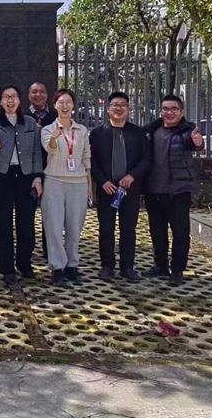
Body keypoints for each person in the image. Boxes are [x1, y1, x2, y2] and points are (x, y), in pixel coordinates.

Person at [90, 92, 151, 283]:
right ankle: (107, 265)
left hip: (130, 189)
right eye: (115, 105)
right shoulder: (97, 134)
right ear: (108, 109)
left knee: (128, 228)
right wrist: (102, 181)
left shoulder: (138, 133)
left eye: (123, 105)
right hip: (106, 189)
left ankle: (127, 267)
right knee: (106, 228)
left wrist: (132, 176)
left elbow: (146, 159)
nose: (119, 108)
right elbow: (92, 161)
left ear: (128, 110)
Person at [143, 94, 204, 286]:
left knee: (180, 233)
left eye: (174, 109)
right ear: (160, 111)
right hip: (153, 191)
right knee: (157, 232)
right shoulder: (151, 131)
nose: (169, 112)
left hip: (178, 191)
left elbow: (195, 144)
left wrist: (198, 142)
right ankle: (160, 265)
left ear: (182, 112)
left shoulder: (187, 131)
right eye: (165, 109)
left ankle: (177, 271)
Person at [0, 85, 43, 284]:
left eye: (14, 96)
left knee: (26, 223)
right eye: (6, 97)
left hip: (26, 177)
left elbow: (36, 152)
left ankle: (24, 264)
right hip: (3, 176)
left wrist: (37, 177)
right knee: (4, 223)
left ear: (20, 100)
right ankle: (7, 268)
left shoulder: (29, 122)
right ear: (0, 101)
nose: (10, 101)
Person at [40, 88, 92, 287]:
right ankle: (57, 267)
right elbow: (49, 148)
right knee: (53, 226)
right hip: (54, 181)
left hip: (78, 183)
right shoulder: (48, 129)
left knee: (74, 226)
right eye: (61, 102)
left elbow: (86, 157)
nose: (64, 106)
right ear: (55, 105)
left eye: (68, 102)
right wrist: (54, 137)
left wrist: (89, 183)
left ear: (73, 105)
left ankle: (72, 265)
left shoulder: (82, 130)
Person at [28, 81, 58, 261]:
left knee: (51, 213)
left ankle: (50, 249)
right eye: (34, 92)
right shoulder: (23, 116)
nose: (38, 95)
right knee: (28, 212)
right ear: (28, 96)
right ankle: (28, 248)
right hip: (29, 170)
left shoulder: (56, 117)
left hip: (51, 169)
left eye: (42, 91)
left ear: (47, 95)